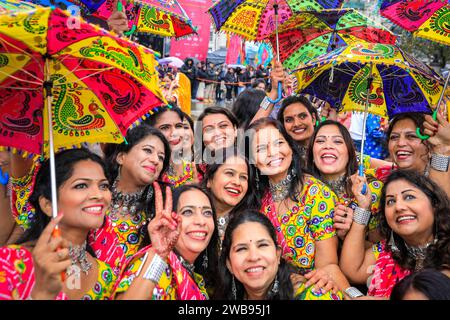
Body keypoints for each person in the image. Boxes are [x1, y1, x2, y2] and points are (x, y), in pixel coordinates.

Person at [247, 117, 352, 295]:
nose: (273, 152)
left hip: (312, 288)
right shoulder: (255, 199)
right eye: (261, 148)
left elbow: (327, 267)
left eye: (279, 143)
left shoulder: (316, 194)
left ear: (290, 147)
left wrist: (355, 296)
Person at [0, 149, 117, 300]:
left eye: (103, 186)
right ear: (47, 205)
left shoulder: (106, 276)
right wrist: (41, 294)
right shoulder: (10, 262)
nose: (99, 195)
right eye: (81, 186)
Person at [339, 170, 450, 298]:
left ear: (434, 204)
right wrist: (363, 207)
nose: (399, 207)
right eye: (391, 201)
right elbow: (351, 270)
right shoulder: (390, 250)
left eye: (409, 197)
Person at [114, 183, 219, 300]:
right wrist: (159, 256)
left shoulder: (196, 277)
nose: (201, 221)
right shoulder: (154, 265)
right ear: (168, 220)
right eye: (188, 212)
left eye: (207, 213)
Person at [214, 210, 343, 300]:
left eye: (263, 245)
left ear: (277, 255)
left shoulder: (313, 295)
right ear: (229, 264)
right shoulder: (221, 295)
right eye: (242, 249)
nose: (253, 257)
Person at [101, 125, 171, 259]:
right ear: (121, 157)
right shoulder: (97, 195)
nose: (155, 160)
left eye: (161, 157)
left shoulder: (163, 207)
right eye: (147, 150)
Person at [306, 120, 383, 242]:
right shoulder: (301, 191)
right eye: (320, 141)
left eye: (337, 141)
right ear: (312, 153)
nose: (328, 146)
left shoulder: (370, 189)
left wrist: (352, 231)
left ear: (350, 153)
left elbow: (378, 250)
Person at [202, 147, 257, 247]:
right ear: (209, 180)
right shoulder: (192, 218)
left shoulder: (251, 226)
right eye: (229, 173)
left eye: (243, 177)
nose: (237, 182)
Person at [145, 106, 197, 188]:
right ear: (150, 131)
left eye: (179, 126)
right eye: (165, 127)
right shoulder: (147, 173)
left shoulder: (197, 169)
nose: (174, 133)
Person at [277, 95, 319, 164]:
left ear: (313, 119)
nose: (296, 124)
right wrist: (273, 94)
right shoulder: (281, 154)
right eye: (289, 120)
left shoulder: (328, 147)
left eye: (302, 116)